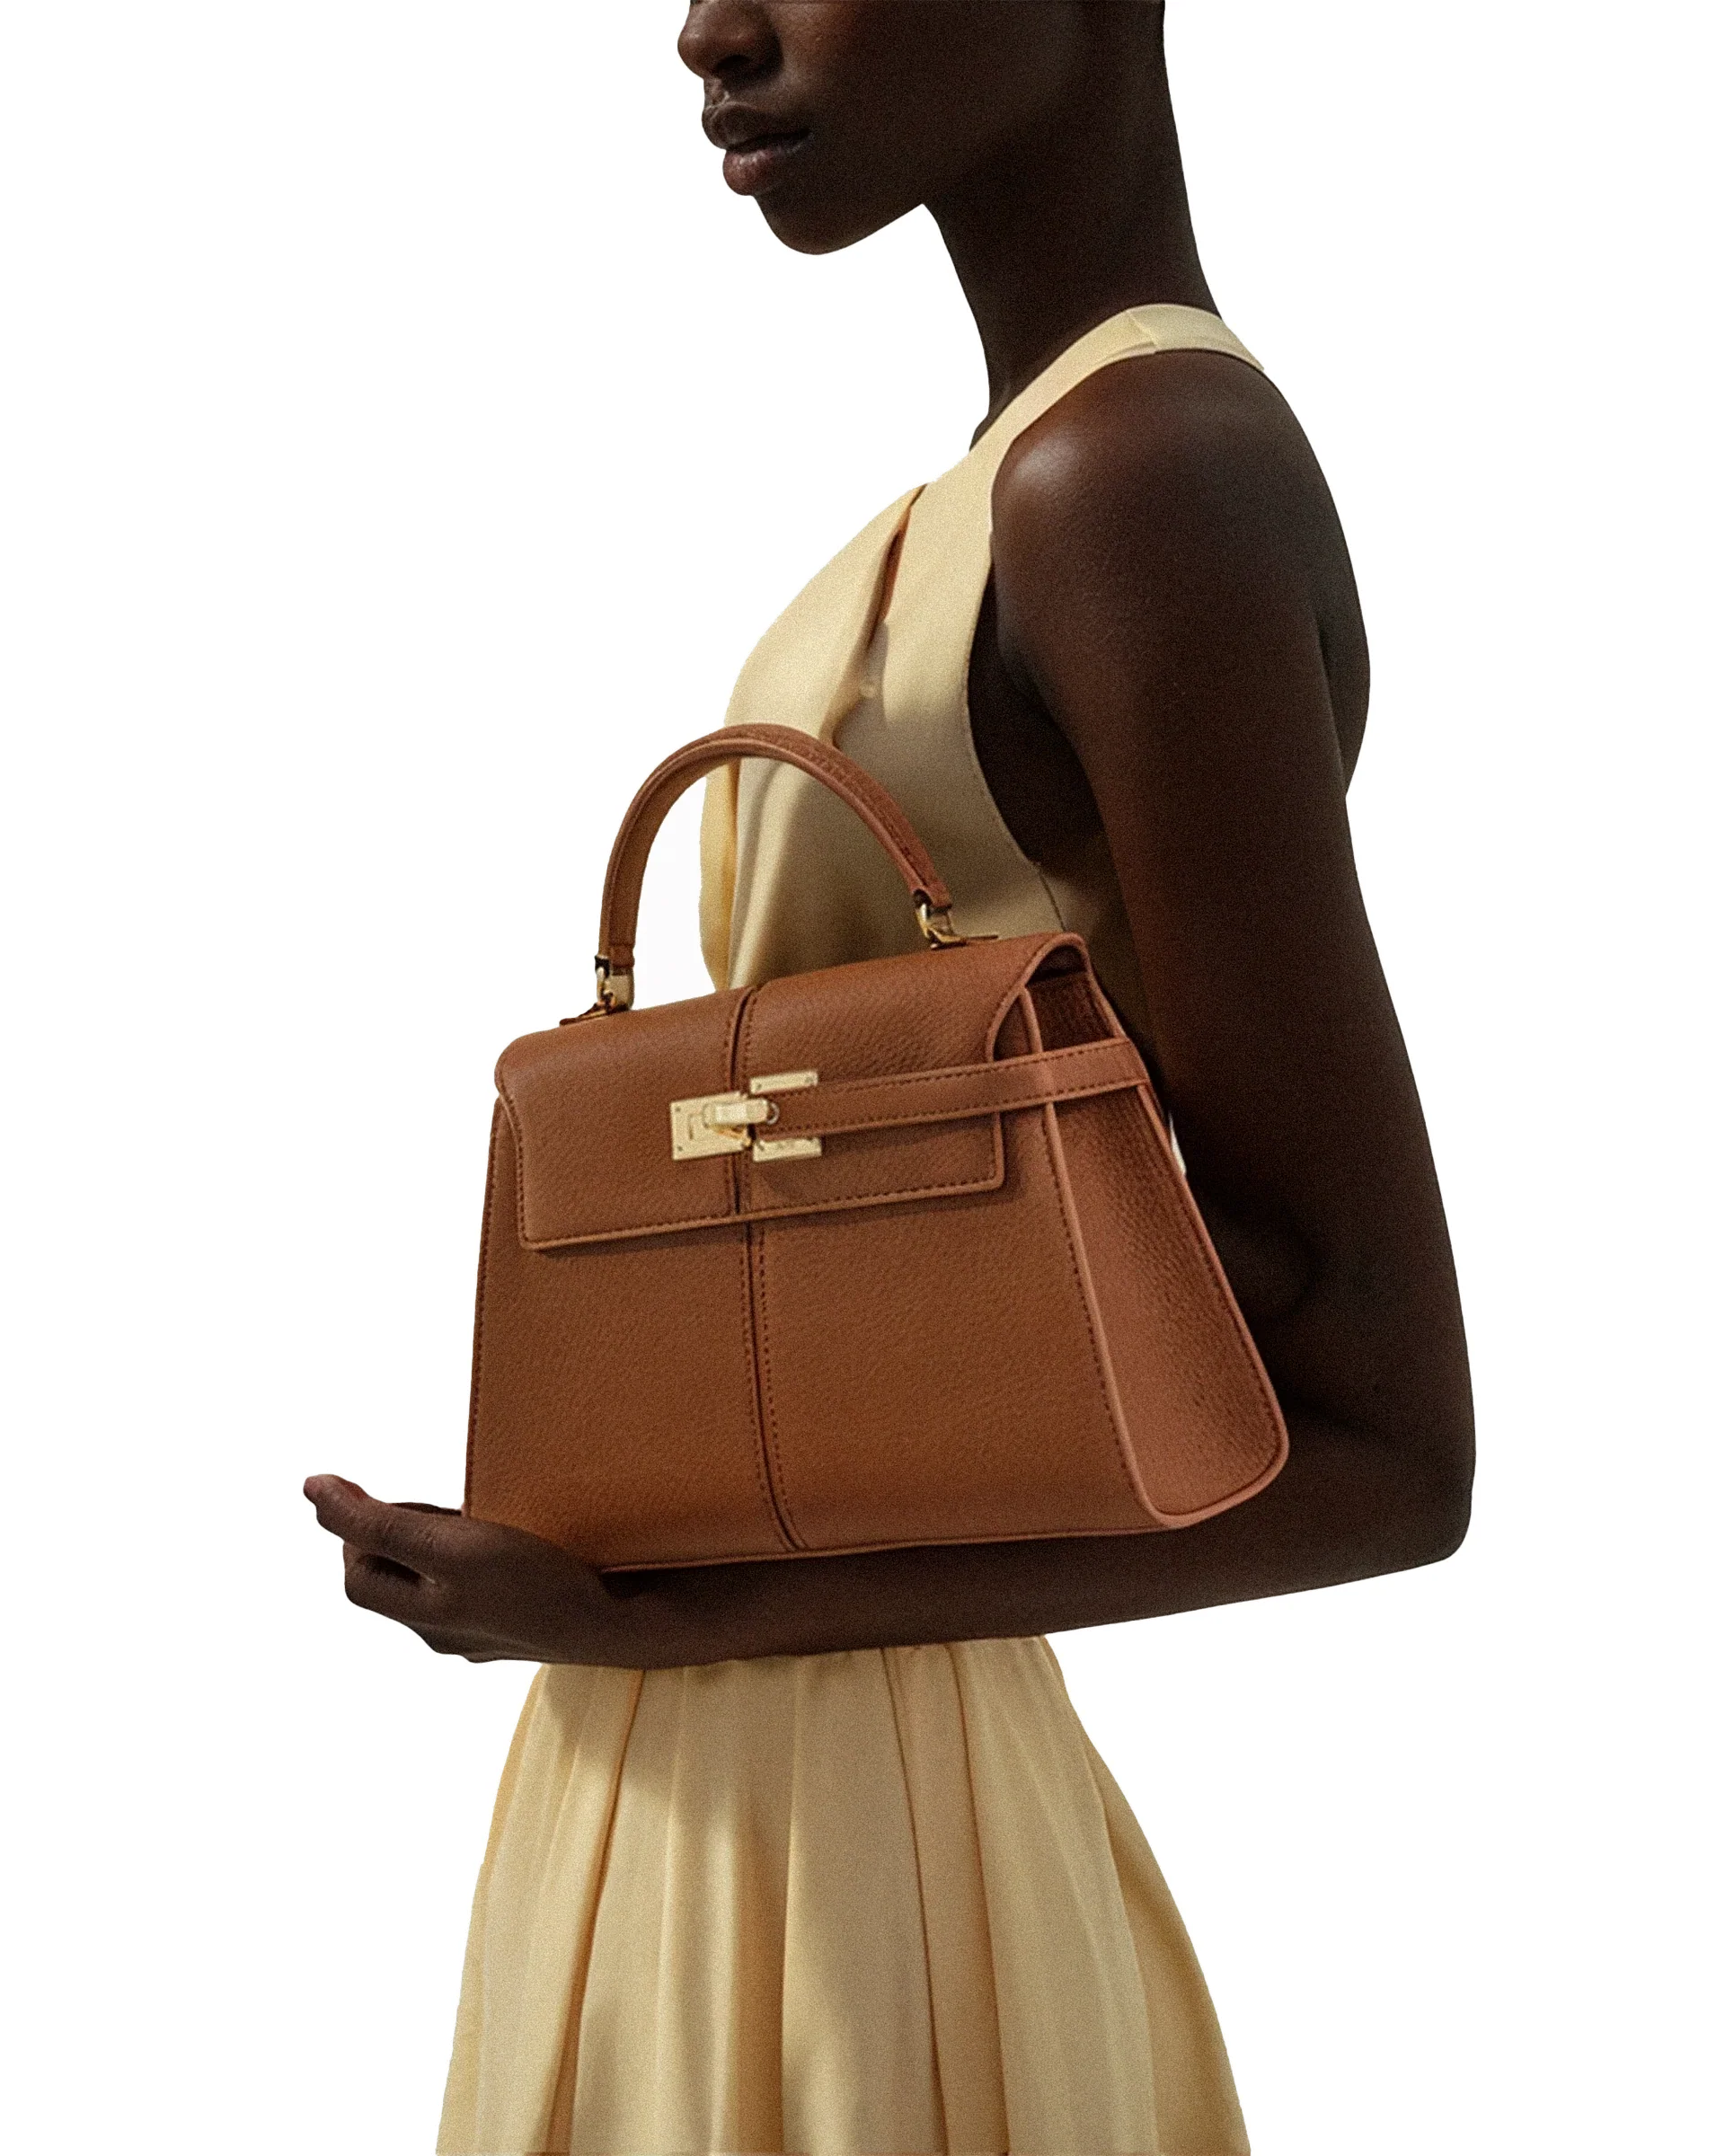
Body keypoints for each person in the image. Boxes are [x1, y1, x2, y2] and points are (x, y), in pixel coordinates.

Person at [305, 5, 1474, 2151]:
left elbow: (1392, 1449)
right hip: (731, 1771)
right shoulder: (1028, 485)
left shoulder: (1136, 480)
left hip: (833, 1811)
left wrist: (672, 1613)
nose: (708, 26)